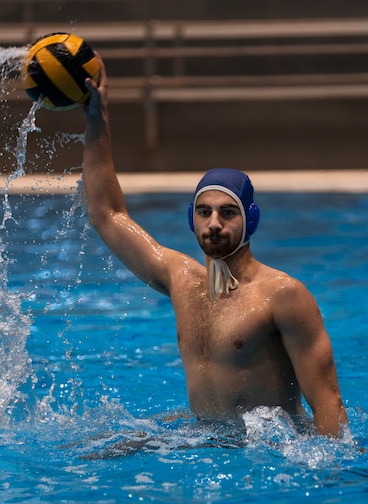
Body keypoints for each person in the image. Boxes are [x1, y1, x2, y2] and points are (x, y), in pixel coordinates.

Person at [82, 56, 348, 438]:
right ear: (191, 218)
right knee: (92, 451)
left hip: (268, 452)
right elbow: (107, 215)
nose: (214, 223)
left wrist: (335, 478)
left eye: (227, 213)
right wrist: (96, 120)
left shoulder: (283, 296)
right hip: (202, 437)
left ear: (250, 220)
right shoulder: (181, 279)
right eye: (204, 212)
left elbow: (328, 402)